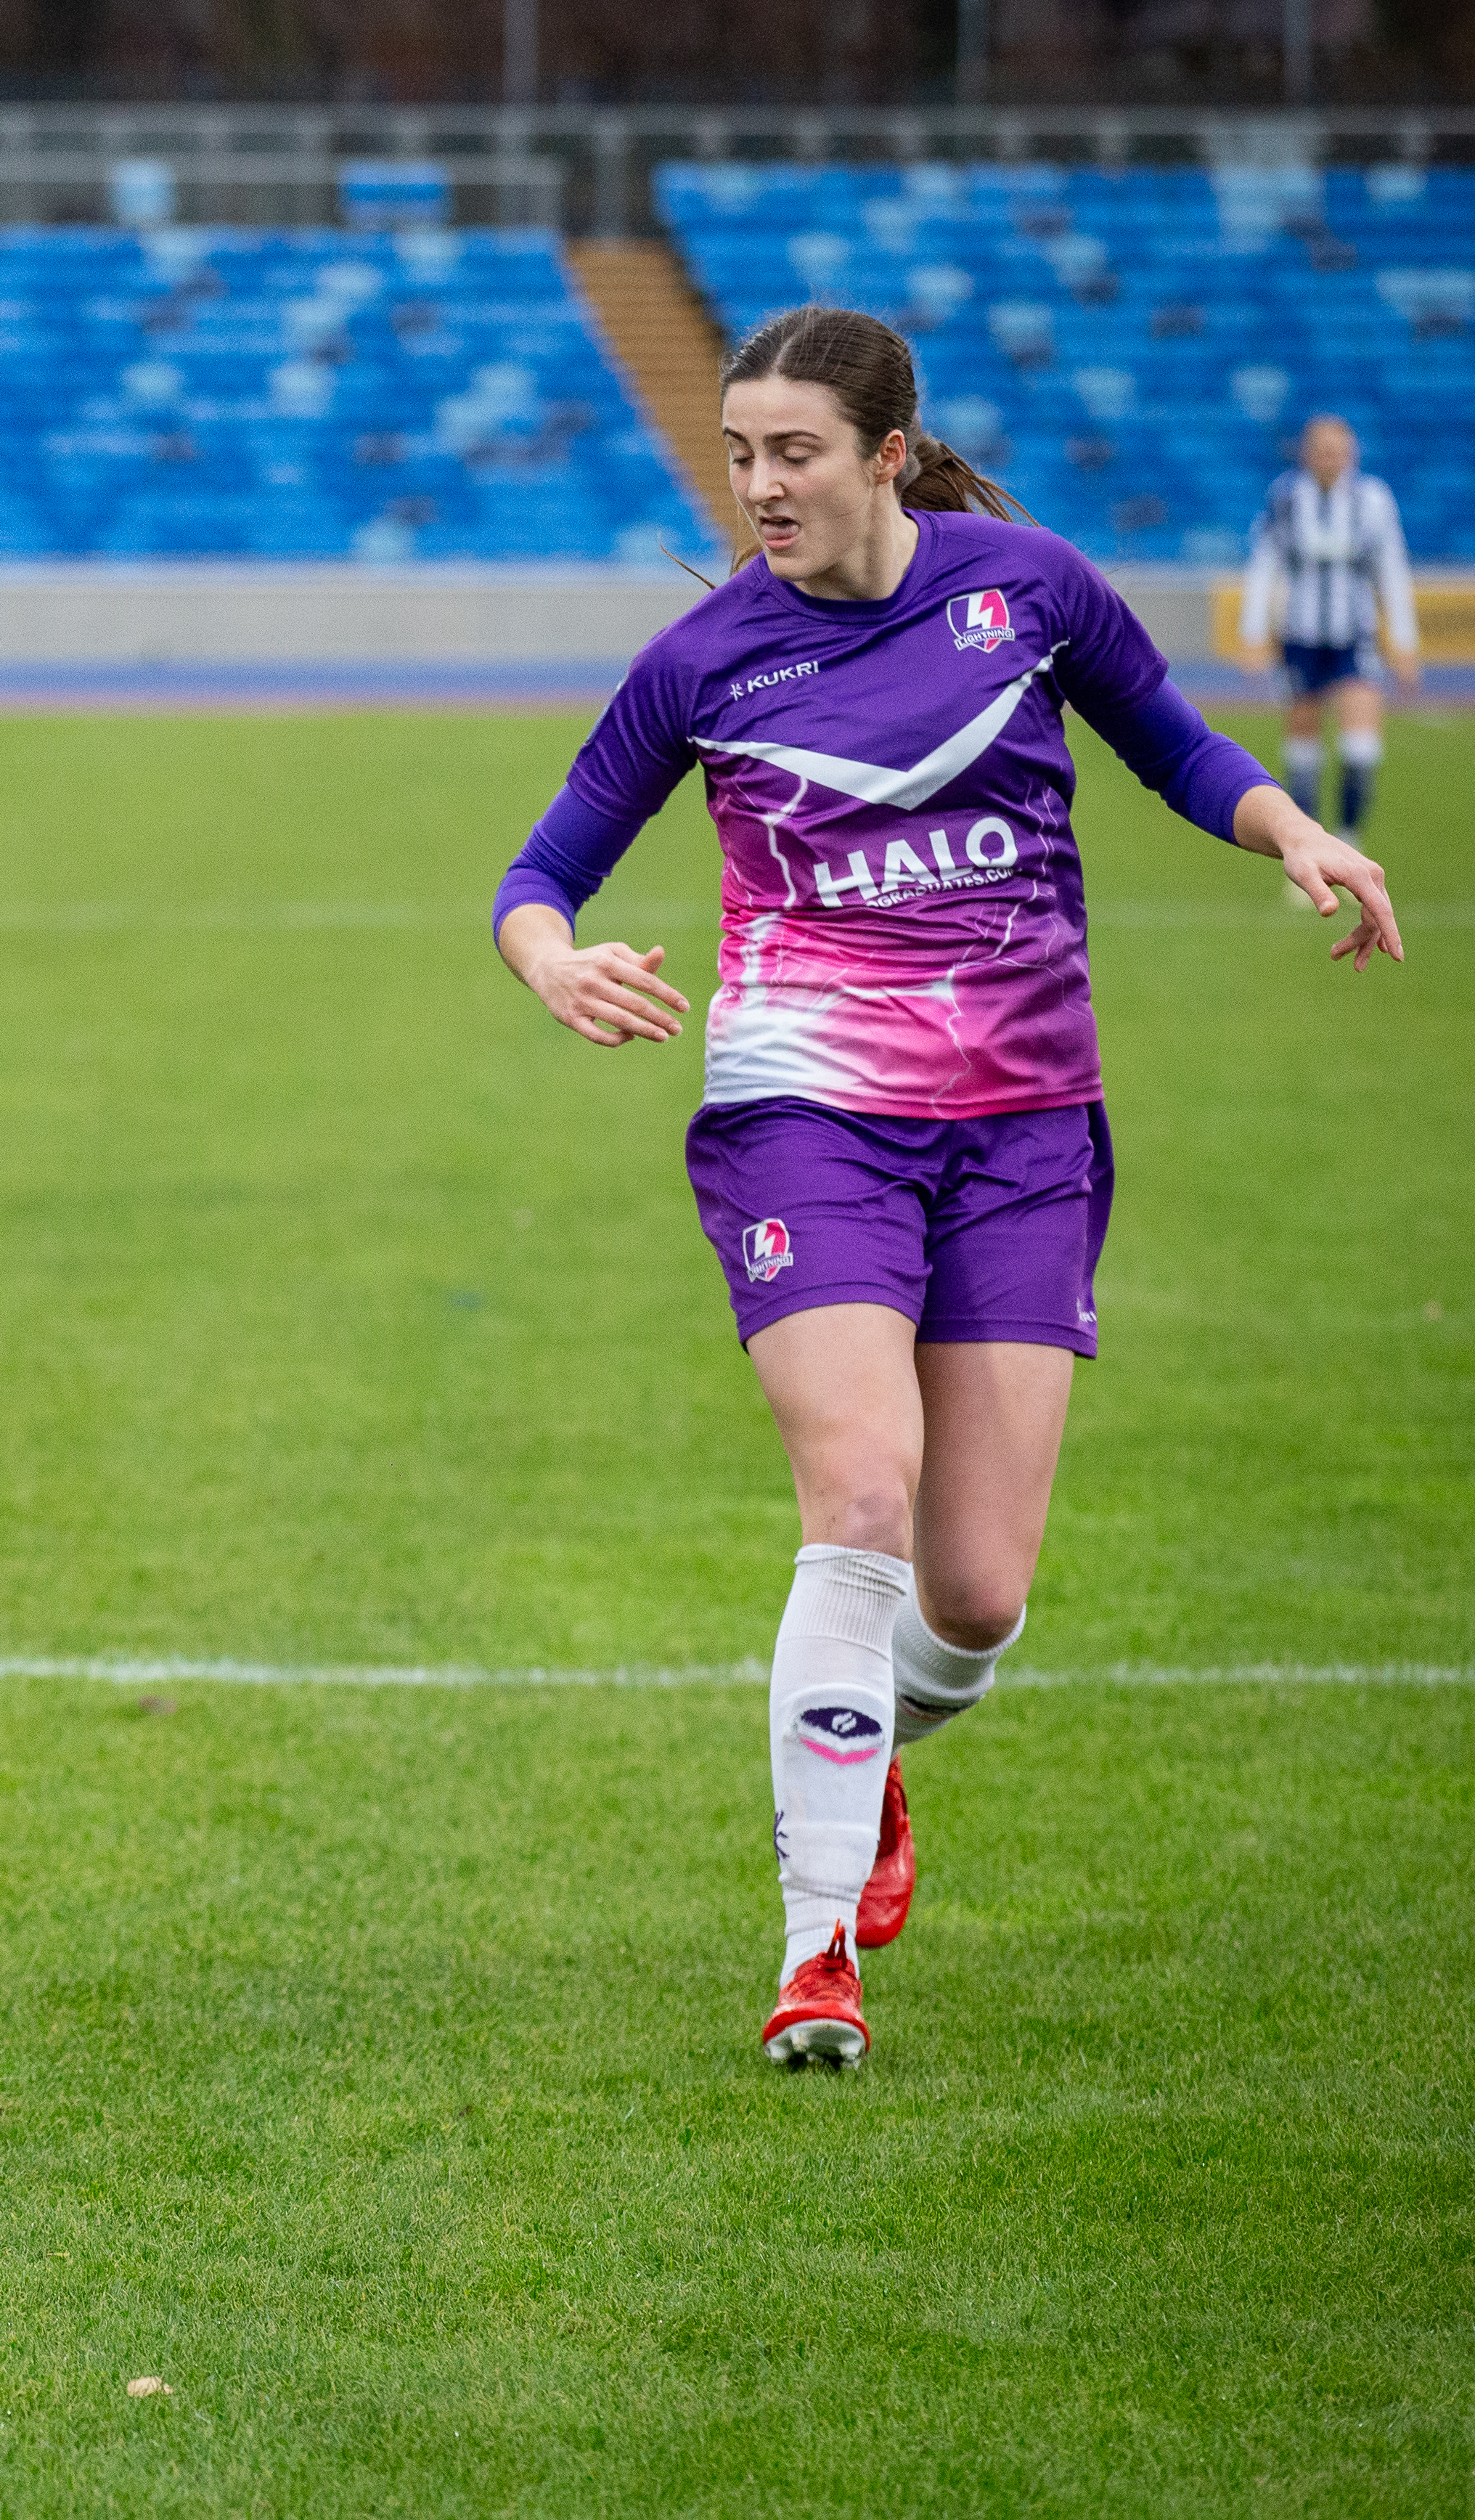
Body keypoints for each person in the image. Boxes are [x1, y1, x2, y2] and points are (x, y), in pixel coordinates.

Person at [489, 307, 1401, 2071]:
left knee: (971, 1594)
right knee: (856, 1493)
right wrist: (550, 960)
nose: (757, 485)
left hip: (1020, 1126)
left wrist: (1292, 829)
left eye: (792, 452)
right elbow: (540, 869)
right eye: (737, 455)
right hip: (801, 1119)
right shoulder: (702, 661)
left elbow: (1172, 746)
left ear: (884, 455)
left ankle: (862, 1737)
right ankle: (812, 1948)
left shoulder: (1024, 588)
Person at [1235, 414, 1421, 840]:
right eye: (1321, 450)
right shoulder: (1285, 497)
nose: (1329, 459)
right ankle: (1308, 840)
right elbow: (1264, 566)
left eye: (1337, 451)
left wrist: (1405, 642)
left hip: (1355, 637)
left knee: (1361, 746)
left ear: (1352, 454)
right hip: (1300, 638)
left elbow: (1392, 570)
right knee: (1303, 744)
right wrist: (1253, 634)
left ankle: (1349, 836)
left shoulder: (1373, 499)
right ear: (1306, 453)